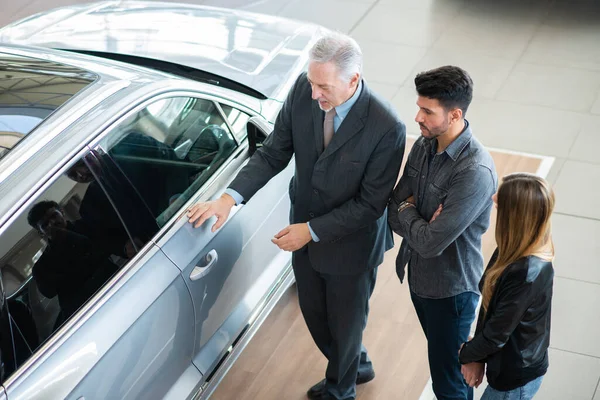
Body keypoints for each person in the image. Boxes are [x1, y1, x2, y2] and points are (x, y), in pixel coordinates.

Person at [187, 32, 405, 400]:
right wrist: (229, 198)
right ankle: (356, 363)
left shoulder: (388, 127)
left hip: (352, 245)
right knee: (316, 316)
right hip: (302, 230)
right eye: (311, 82)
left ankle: (341, 389)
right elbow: (274, 153)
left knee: (346, 325)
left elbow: (370, 206)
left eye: (324, 86)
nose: (315, 93)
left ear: (353, 80)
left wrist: (311, 231)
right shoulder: (303, 95)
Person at [387, 65, 497, 400]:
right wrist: (413, 216)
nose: (417, 117)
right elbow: (392, 207)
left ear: (455, 115)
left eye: (427, 111)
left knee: (449, 383)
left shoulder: (474, 171)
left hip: (451, 293)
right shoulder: (425, 144)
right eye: (419, 106)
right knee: (445, 372)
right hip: (420, 280)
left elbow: (431, 243)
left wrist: (409, 210)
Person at [459, 173, 555, 400]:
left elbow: (495, 335)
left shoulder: (526, 273)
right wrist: (477, 357)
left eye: (500, 201)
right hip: (507, 364)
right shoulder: (514, 247)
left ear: (515, 216)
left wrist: (466, 354)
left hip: (514, 380)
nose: (493, 198)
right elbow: (491, 306)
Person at [27, 201, 120, 326]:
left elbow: (106, 246)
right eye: (45, 224)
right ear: (41, 232)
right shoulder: (41, 267)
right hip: (86, 316)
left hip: (117, 288)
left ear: (62, 212)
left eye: (54, 216)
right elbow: (48, 291)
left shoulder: (89, 226)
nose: (52, 223)